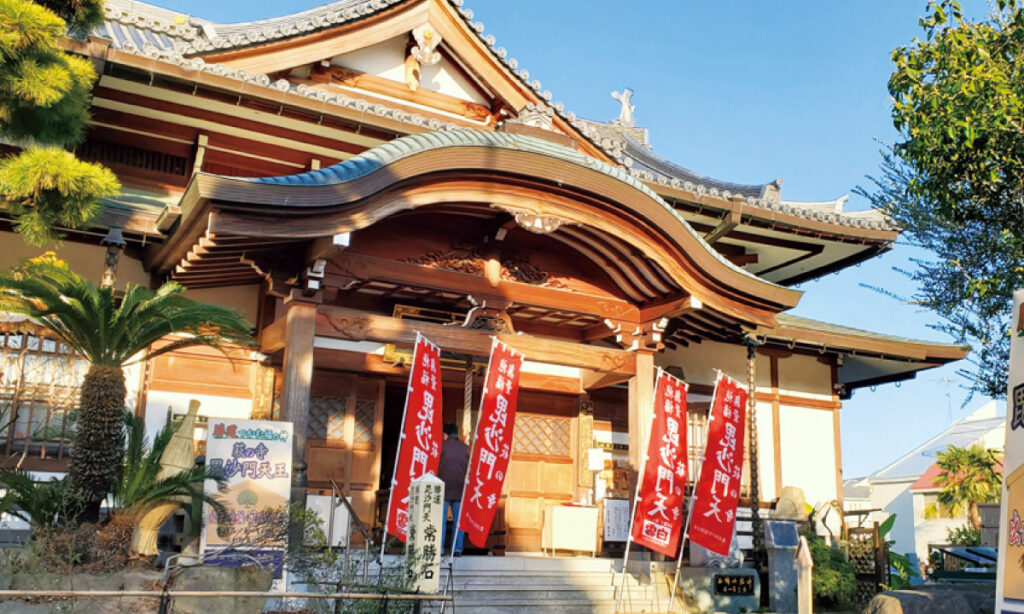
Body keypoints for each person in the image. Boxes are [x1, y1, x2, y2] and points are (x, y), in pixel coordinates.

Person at [437, 422, 469, 555]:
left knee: (441, 521)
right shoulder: (466, 448)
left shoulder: (442, 447)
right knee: (458, 522)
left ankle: (439, 548)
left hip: (443, 489)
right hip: (460, 490)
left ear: (445, 434)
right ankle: (457, 548)